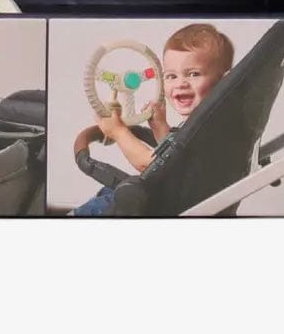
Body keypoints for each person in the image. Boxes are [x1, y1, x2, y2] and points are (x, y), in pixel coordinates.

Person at [70, 23, 235, 216]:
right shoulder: (210, 122)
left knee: (114, 197)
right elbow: (177, 159)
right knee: (111, 193)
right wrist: (161, 128)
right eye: (171, 76)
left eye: (193, 74)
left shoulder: (209, 131)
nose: (180, 83)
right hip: (177, 197)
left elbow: (151, 165)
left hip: (165, 208)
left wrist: (118, 132)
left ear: (224, 81)